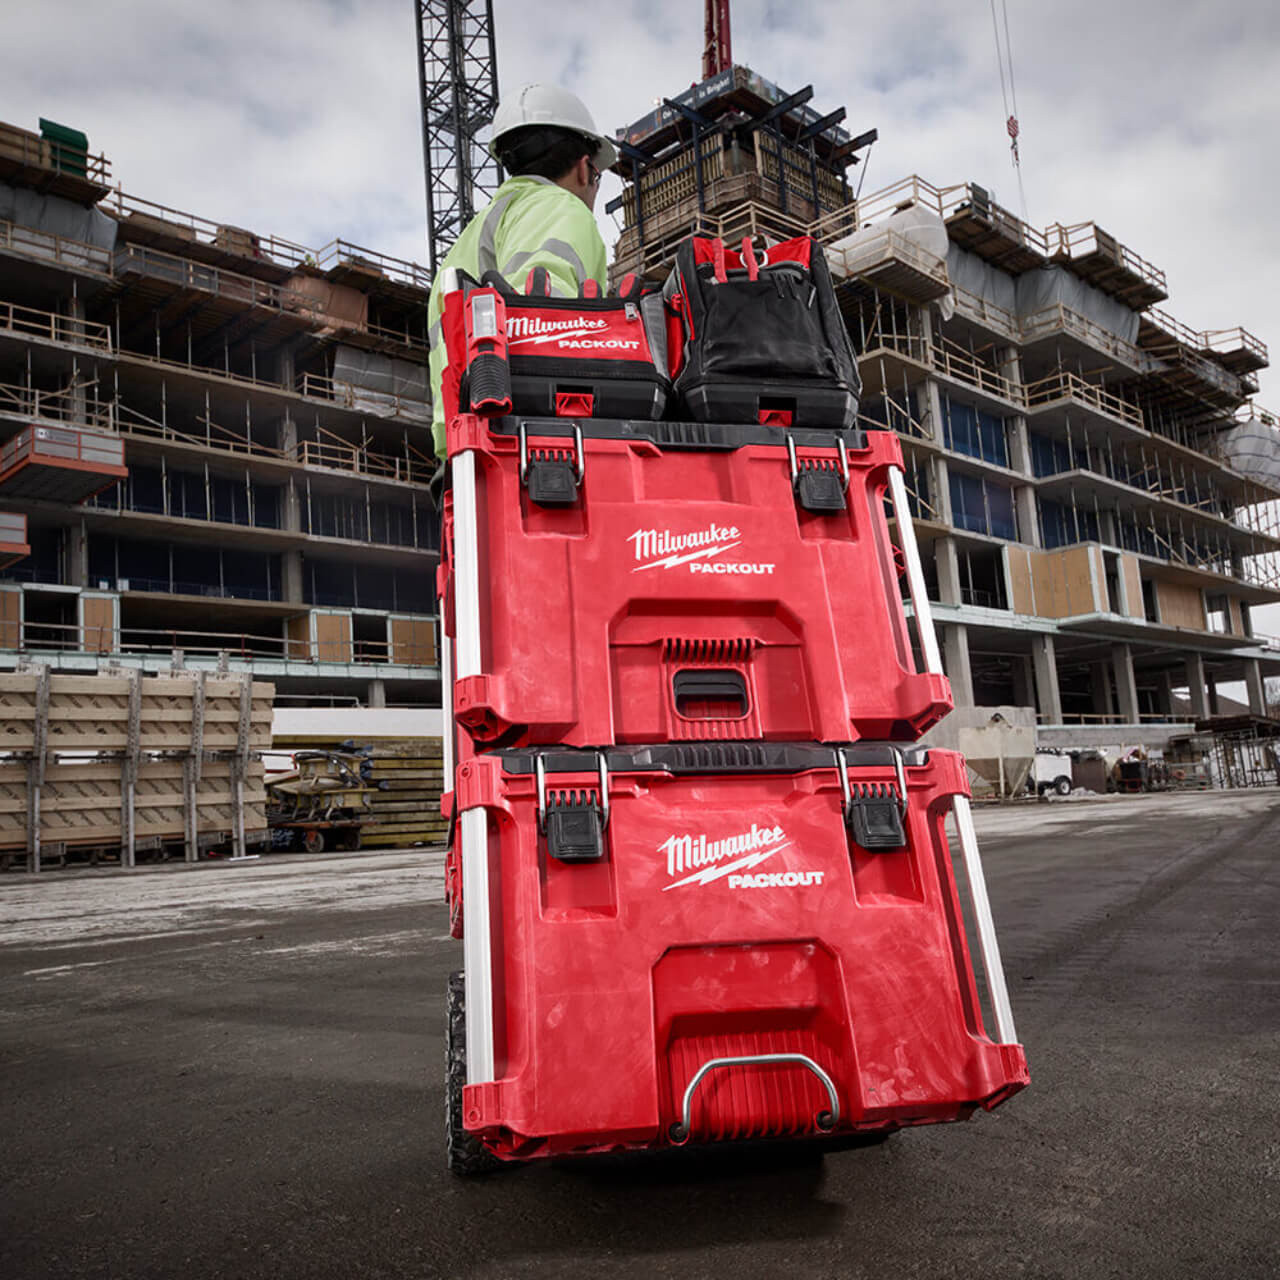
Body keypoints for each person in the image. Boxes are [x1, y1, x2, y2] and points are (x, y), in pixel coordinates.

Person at [426, 83, 616, 458]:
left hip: (459, 446)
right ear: (584, 169)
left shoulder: (469, 240)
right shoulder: (561, 207)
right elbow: (550, 328)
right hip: (529, 442)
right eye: (597, 175)